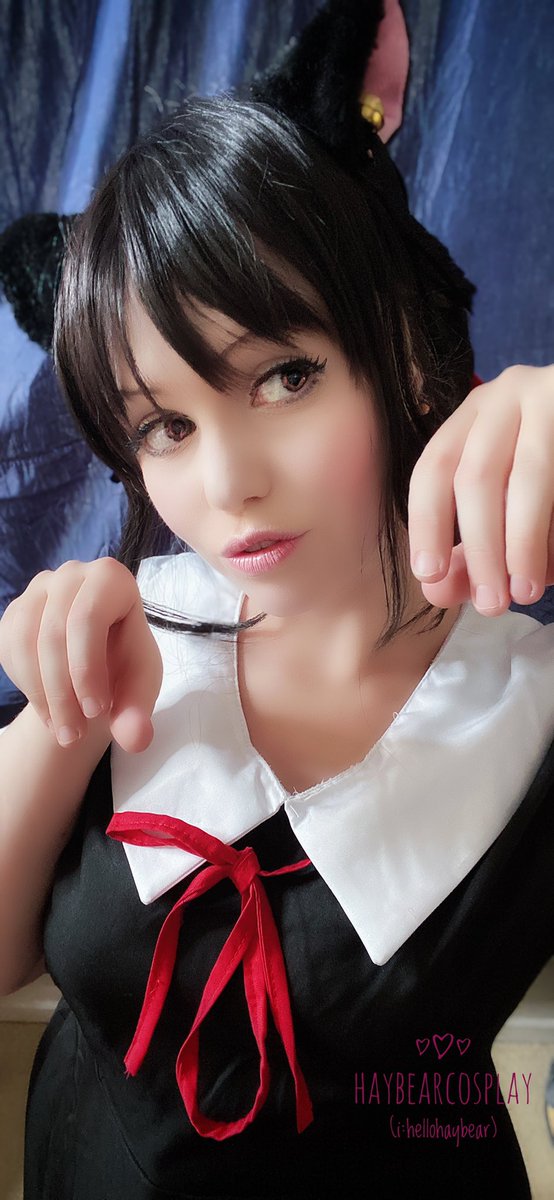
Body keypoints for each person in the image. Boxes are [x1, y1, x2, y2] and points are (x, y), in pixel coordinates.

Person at [1, 58, 554, 1200]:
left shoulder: (530, 709)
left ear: (406, 355)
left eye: (284, 377)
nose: (227, 484)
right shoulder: (134, 629)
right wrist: (63, 720)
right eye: (163, 425)